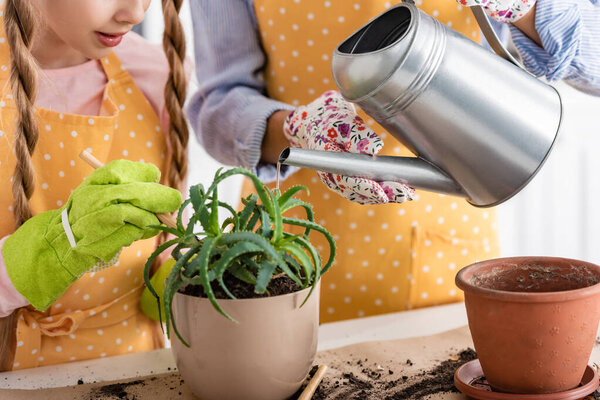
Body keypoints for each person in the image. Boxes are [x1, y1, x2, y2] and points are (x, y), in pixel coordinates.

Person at [187, 0, 600, 323]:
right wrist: (298, 129)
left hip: (438, 250)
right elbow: (218, 104)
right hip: (279, 248)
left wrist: (528, 6)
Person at [0, 0, 190, 371]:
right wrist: (49, 250)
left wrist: (187, 275)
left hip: (140, 369)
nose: (135, 13)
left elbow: (161, 248)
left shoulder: (154, 72)